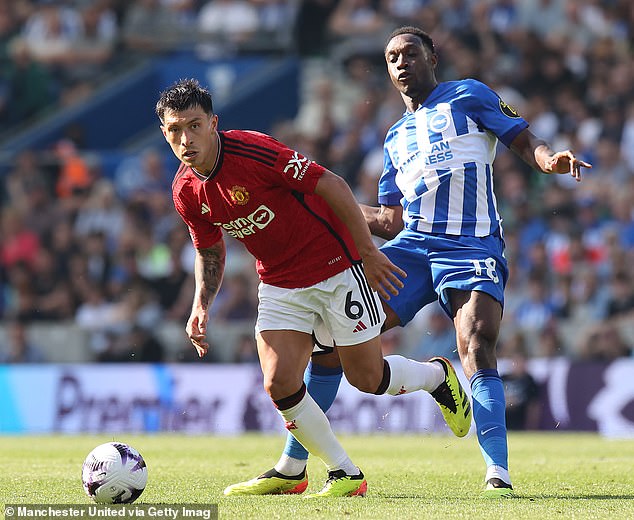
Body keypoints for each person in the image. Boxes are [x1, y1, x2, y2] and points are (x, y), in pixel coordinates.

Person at [226, 25, 591, 498]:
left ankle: (497, 474)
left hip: (471, 244)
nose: (401, 62)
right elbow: (388, 218)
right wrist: (326, 204)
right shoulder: (395, 137)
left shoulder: (469, 95)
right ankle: (293, 467)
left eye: (410, 53)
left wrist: (548, 161)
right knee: (334, 342)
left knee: (476, 342)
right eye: (392, 57)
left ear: (432, 57)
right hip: (411, 249)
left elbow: (523, 138)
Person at [156, 78, 472, 497]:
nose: (185, 138)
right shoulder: (185, 191)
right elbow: (209, 250)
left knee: (367, 377)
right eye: (175, 130)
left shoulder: (253, 150)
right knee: (279, 382)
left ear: (213, 123)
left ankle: (436, 377)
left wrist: (369, 252)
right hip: (278, 282)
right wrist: (201, 305)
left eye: (194, 125)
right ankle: (342, 472)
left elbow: (333, 185)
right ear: (165, 133)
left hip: (335, 267)